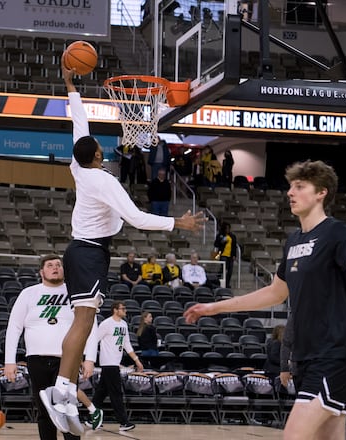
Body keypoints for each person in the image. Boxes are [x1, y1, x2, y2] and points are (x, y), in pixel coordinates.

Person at [39, 62, 205, 435]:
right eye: (101, 147)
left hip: (83, 250)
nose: (102, 146)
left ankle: (64, 390)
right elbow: (136, 218)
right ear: (97, 156)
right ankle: (62, 389)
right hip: (89, 252)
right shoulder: (102, 179)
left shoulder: (78, 166)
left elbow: (78, 126)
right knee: (84, 321)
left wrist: (71, 87)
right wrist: (178, 222)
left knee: (84, 320)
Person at [183, 159, 346, 440]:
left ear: (321, 193)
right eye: (290, 187)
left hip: (336, 352)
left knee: (293, 435)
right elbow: (274, 293)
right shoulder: (293, 242)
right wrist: (214, 307)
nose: (290, 193)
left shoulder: (338, 233)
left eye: (299, 186)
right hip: (306, 357)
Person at [4, 254, 103, 437]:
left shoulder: (76, 292)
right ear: (41, 272)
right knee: (44, 411)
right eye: (50, 265)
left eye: (58, 265)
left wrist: (90, 358)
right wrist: (10, 361)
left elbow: (90, 325)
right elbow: (14, 328)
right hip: (36, 359)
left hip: (68, 361)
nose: (55, 268)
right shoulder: (29, 293)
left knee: (68, 407)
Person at [91, 301, 144, 432]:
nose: (125, 311)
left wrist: (136, 360)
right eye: (123, 308)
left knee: (101, 393)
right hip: (108, 363)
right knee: (116, 393)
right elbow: (94, 341)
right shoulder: (106, 324)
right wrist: (89, 359)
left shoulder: (124, 324)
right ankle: (123, 422)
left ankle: (90, 417)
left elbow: (127, 345)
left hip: (115, 362)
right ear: (115, 310)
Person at [214, 222, 239, 288]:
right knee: (223, 269)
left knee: (230, 271)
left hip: (230, 256)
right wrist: (222, 241)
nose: (227, 230)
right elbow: (216, 244)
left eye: (228, 228)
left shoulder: (232, 236)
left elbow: (234, 246)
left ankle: (227, 284)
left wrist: (234, 255)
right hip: (223, 255)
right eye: (226, 228)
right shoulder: (220, 235)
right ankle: (218, 282)